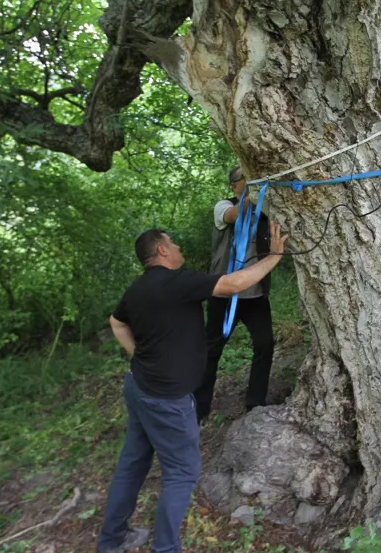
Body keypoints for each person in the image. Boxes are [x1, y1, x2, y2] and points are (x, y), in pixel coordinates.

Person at [97, 224, 288, 553]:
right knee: (183, 470)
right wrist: (274, 255)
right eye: (173, 242)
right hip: (166, 398)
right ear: (162, 251)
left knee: (132, 464)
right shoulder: (178, 282)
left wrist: (138, 356)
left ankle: (112, 540)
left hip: (139, 387)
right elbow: (233, 284)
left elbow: (117, 322)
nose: (178, 245)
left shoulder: (138, 288)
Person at [195, 166, 275, 423]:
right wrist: (256, 191)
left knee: (265, 344)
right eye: (246, 179)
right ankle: (199, 410)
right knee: (212, 350)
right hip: (223, 293)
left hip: (255, 296)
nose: (250, 182)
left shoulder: (265, 212)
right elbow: (232, 215)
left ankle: (255, 403)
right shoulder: (223, 206)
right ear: (234, 186)